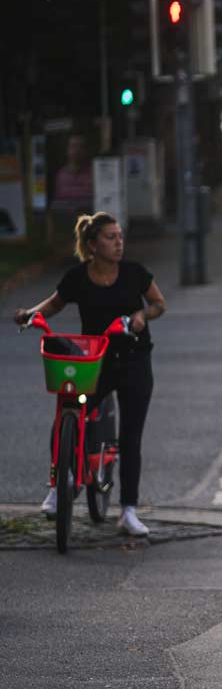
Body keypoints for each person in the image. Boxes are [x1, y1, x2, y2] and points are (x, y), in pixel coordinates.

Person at [12, 212, 165, 537]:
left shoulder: (134, 273)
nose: (119, 243)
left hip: (135, 359)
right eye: (111, 237)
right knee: (68, 414)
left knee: (130, 436)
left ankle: (128, 510)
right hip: (96, 361)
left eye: (120, 236)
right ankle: (59, 485)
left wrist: (141, 315)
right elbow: (54, 304)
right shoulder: (78, 277)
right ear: (93, 245)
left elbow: (158, 304)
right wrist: (30, 314)